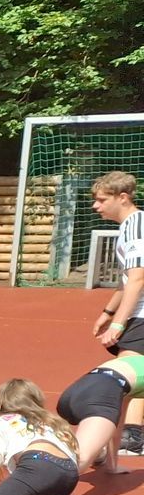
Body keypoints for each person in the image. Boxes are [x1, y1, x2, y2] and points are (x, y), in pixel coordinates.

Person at [89, 171, 144, 455]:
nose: (95, 206)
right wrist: (108, 312)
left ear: (122, 198)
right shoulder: (129, 226)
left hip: (142, 316)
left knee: (127, 375)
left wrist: (119, 324)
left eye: (101, 200)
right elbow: (127, 279)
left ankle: (131, 438)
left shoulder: (135, 226)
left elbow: (137, 278)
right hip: (137, 313)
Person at [55, 350, 144, 476]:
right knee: (78, 463)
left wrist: (112, 465)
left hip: (73, 394)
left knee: (76, 459)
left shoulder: (134, 366)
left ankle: (97, 451)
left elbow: (117, 421)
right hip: (101, 396)